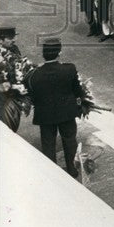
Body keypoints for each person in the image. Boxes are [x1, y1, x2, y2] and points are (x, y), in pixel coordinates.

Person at [24, 37, 83, 178]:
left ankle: (53, 175)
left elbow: (31, 95)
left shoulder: (33, 75)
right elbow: (77, 91)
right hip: (66, 112)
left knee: (48, 144)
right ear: (59, 53)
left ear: (43, 54)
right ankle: (72, 169)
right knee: (69, 139)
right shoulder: (69, 69)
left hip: (45, 114)